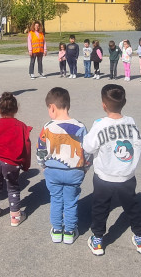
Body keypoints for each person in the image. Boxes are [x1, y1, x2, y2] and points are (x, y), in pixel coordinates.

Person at [83, 84, 141, 256]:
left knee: (100, 208)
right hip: (126, 175)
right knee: (132, 205)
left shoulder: (100, 124)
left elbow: (88, 147)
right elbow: (139, 142)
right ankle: (140, 236)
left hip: (104, 176)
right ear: (124, 102)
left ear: (103, 105)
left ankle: (97, 240)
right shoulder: (131, 122)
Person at [36, 87, 90, 245]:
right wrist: (85, 167)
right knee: (71, 201)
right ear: (68, 105)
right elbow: (87, 151)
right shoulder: (80, 127)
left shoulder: (47, 126)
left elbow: (41, 148)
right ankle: (69, 232)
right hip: (74, 172)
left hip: (53, 171)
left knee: (56, 200)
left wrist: (42, 165)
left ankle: (57, 230)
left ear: (52, 107)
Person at [0, 92, 32, 226]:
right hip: (11, 163)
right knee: (13, 188)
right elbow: (26, 147)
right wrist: (26, 165)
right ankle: (15, 216)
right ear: (16, 109)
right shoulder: (21, 126)